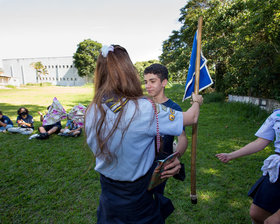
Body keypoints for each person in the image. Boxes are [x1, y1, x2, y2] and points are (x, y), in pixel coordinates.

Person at [85, 44, 203, 223]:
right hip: (139, 201)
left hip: (109, 199)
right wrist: (197, 101)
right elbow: (192, 117)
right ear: (129, 72)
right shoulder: (144, 109)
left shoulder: (92, 109)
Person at [216, 109, 280, 224]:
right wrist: (230, 155)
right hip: (276, 170)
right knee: (256, 214)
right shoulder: (277, 115)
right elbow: (259, 142)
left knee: (272, 221)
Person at [144, 63, 188, 194]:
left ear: (164, 82)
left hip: (160, 166)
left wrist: (176, 157)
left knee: (156, 197)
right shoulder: (143, 105)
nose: (147, 86)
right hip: (142, 161)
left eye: (152, 81)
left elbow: (183, 138)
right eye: (145, 82)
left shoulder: (174, 108)